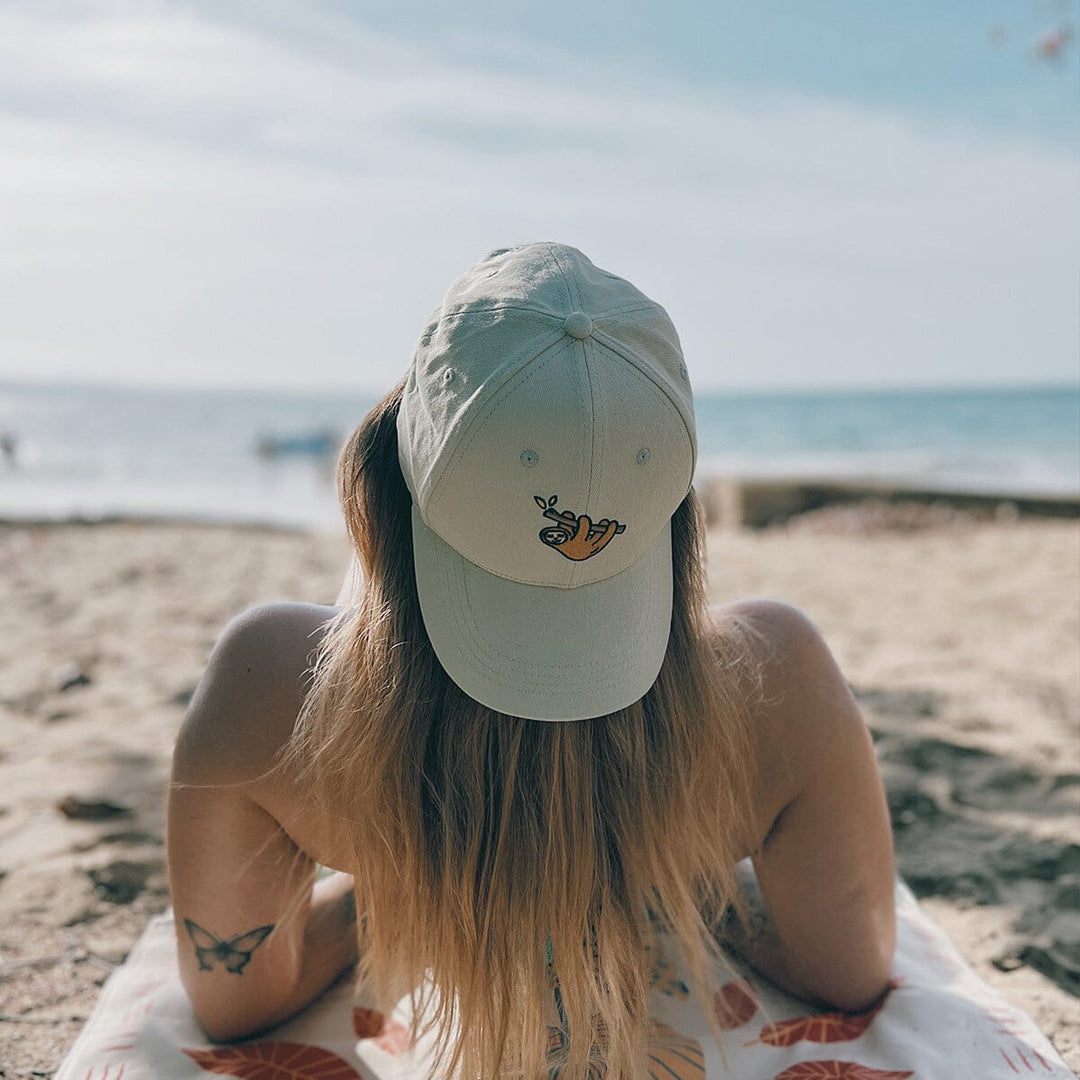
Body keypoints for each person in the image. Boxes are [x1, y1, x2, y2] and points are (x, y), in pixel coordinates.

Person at [167, 243, 896, 1080]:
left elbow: (238, 1002)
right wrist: (665, 887)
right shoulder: (778, 679)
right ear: (675, 511)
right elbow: (851, 971)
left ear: (387, 466)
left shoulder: (269, 687)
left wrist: (423, 884)